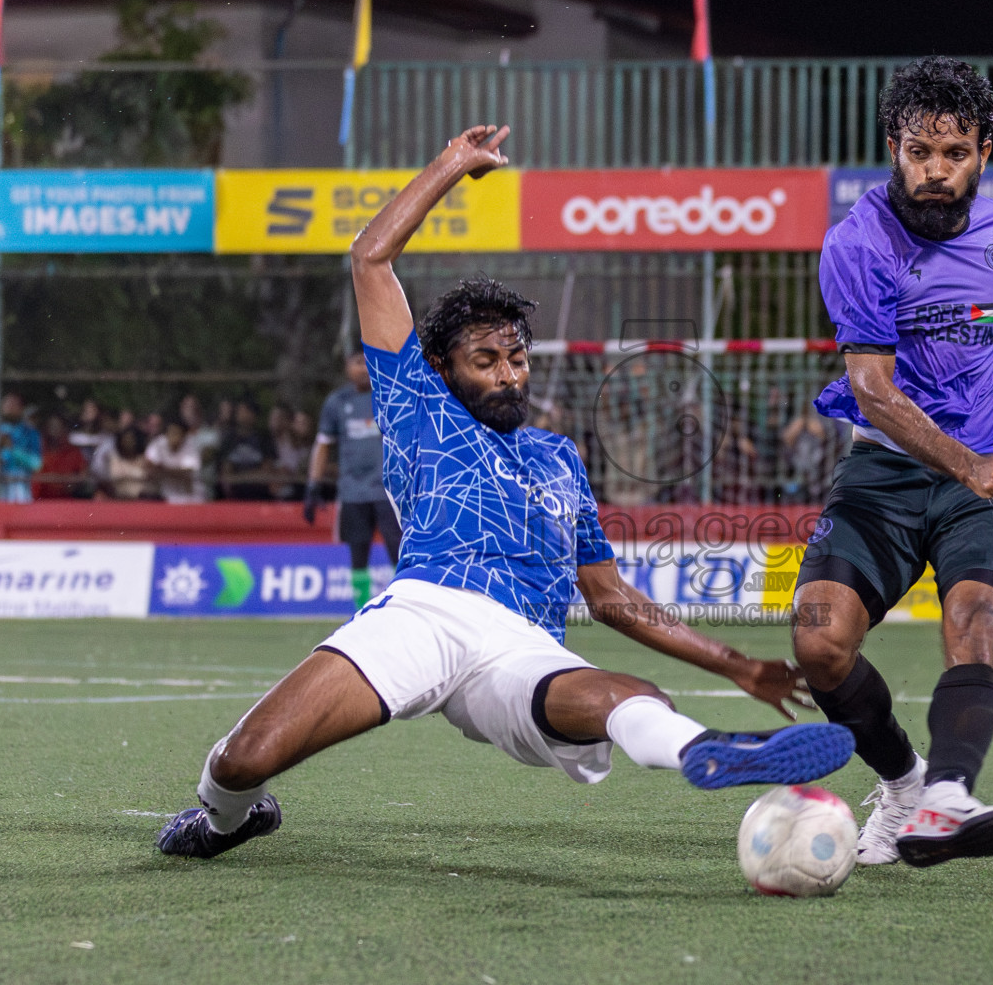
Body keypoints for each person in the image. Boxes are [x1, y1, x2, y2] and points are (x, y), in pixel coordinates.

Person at [156, 125, 852, 862]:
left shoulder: (559, 458)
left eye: (516, 357)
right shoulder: (417, 408)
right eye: (485, 359)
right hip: (424, 613)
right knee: (242, 760)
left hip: (520, 648)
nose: (508, 374)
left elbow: (610, 596)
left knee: (628, 695)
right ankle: (228, 820)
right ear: (442, 368)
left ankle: (710, 751)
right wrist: (453, 165)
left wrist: (734, 664)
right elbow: (368, 257)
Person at [787, 57, 993, 870]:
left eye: (955, 154)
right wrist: (969, 463)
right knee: (818, 641)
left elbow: (970, 321)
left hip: (983, 471)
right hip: (893, 471)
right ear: (891, 147)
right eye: (919, 152)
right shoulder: (857, 242)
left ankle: (948, 799)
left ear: (985, 151)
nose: (936, 171)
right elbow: (873, 386)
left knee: (977, 620)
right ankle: (903, 784)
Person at [306, 354, 401, 609]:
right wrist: (313, 485)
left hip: (388, 492)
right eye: (357, 362)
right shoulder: (337, 402)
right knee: (358, 555)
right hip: (353, 493)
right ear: (347, 366)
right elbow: (323, 444)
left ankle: (403, 607)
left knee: (400, 554)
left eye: (367, 363)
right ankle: (360, 609)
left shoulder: (388, 397)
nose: (363, 369)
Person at [218, 401, 274, 500]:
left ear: (253, 415)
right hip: (235, 499)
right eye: (239, 411)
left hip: (261, 497)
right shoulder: (229, 440)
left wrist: (239, 477)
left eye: (244, 411)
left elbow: (266, 473)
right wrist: (252, 476)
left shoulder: (264, 439)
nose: (240, 415)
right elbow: (226, 475)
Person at [145, 419, 208, 503]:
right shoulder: (159, 443)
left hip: (192, 495)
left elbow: (187, 472)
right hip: (166, 495)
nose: (173, 436)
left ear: (184, 436)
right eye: (170, 433)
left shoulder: (191, 445)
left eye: (176, 433)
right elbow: (147, 464)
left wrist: (162, 469)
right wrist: (162, 470)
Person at [35, 413, 87, 499]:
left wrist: (66, 481)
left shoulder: (73, 452)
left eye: (57, 426)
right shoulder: (38, 450)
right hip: (40, 502)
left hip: (66, 502)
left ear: (64, 428)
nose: (54, 430)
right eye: (51, 426)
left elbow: (83, 475)